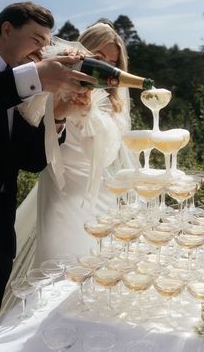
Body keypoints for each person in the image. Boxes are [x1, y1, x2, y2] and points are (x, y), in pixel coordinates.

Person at [0, 1, 96, 321]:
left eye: (45, 43)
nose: (41, 50)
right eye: (36, 40)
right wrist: (35, 76)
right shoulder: (17, 83)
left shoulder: (18, 88)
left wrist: (60, 114)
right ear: (7, 30)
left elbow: (30, 160)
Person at [34, 22, 134, 264]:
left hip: (102, 196)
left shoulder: (115, 102)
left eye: (113, 63)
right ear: (84, 53)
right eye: (99, 58)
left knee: (103, 266)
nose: (106, 69)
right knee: (62, 268)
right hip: (63, 192)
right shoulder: (57, 88)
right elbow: (41, 144)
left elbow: (112, 153)